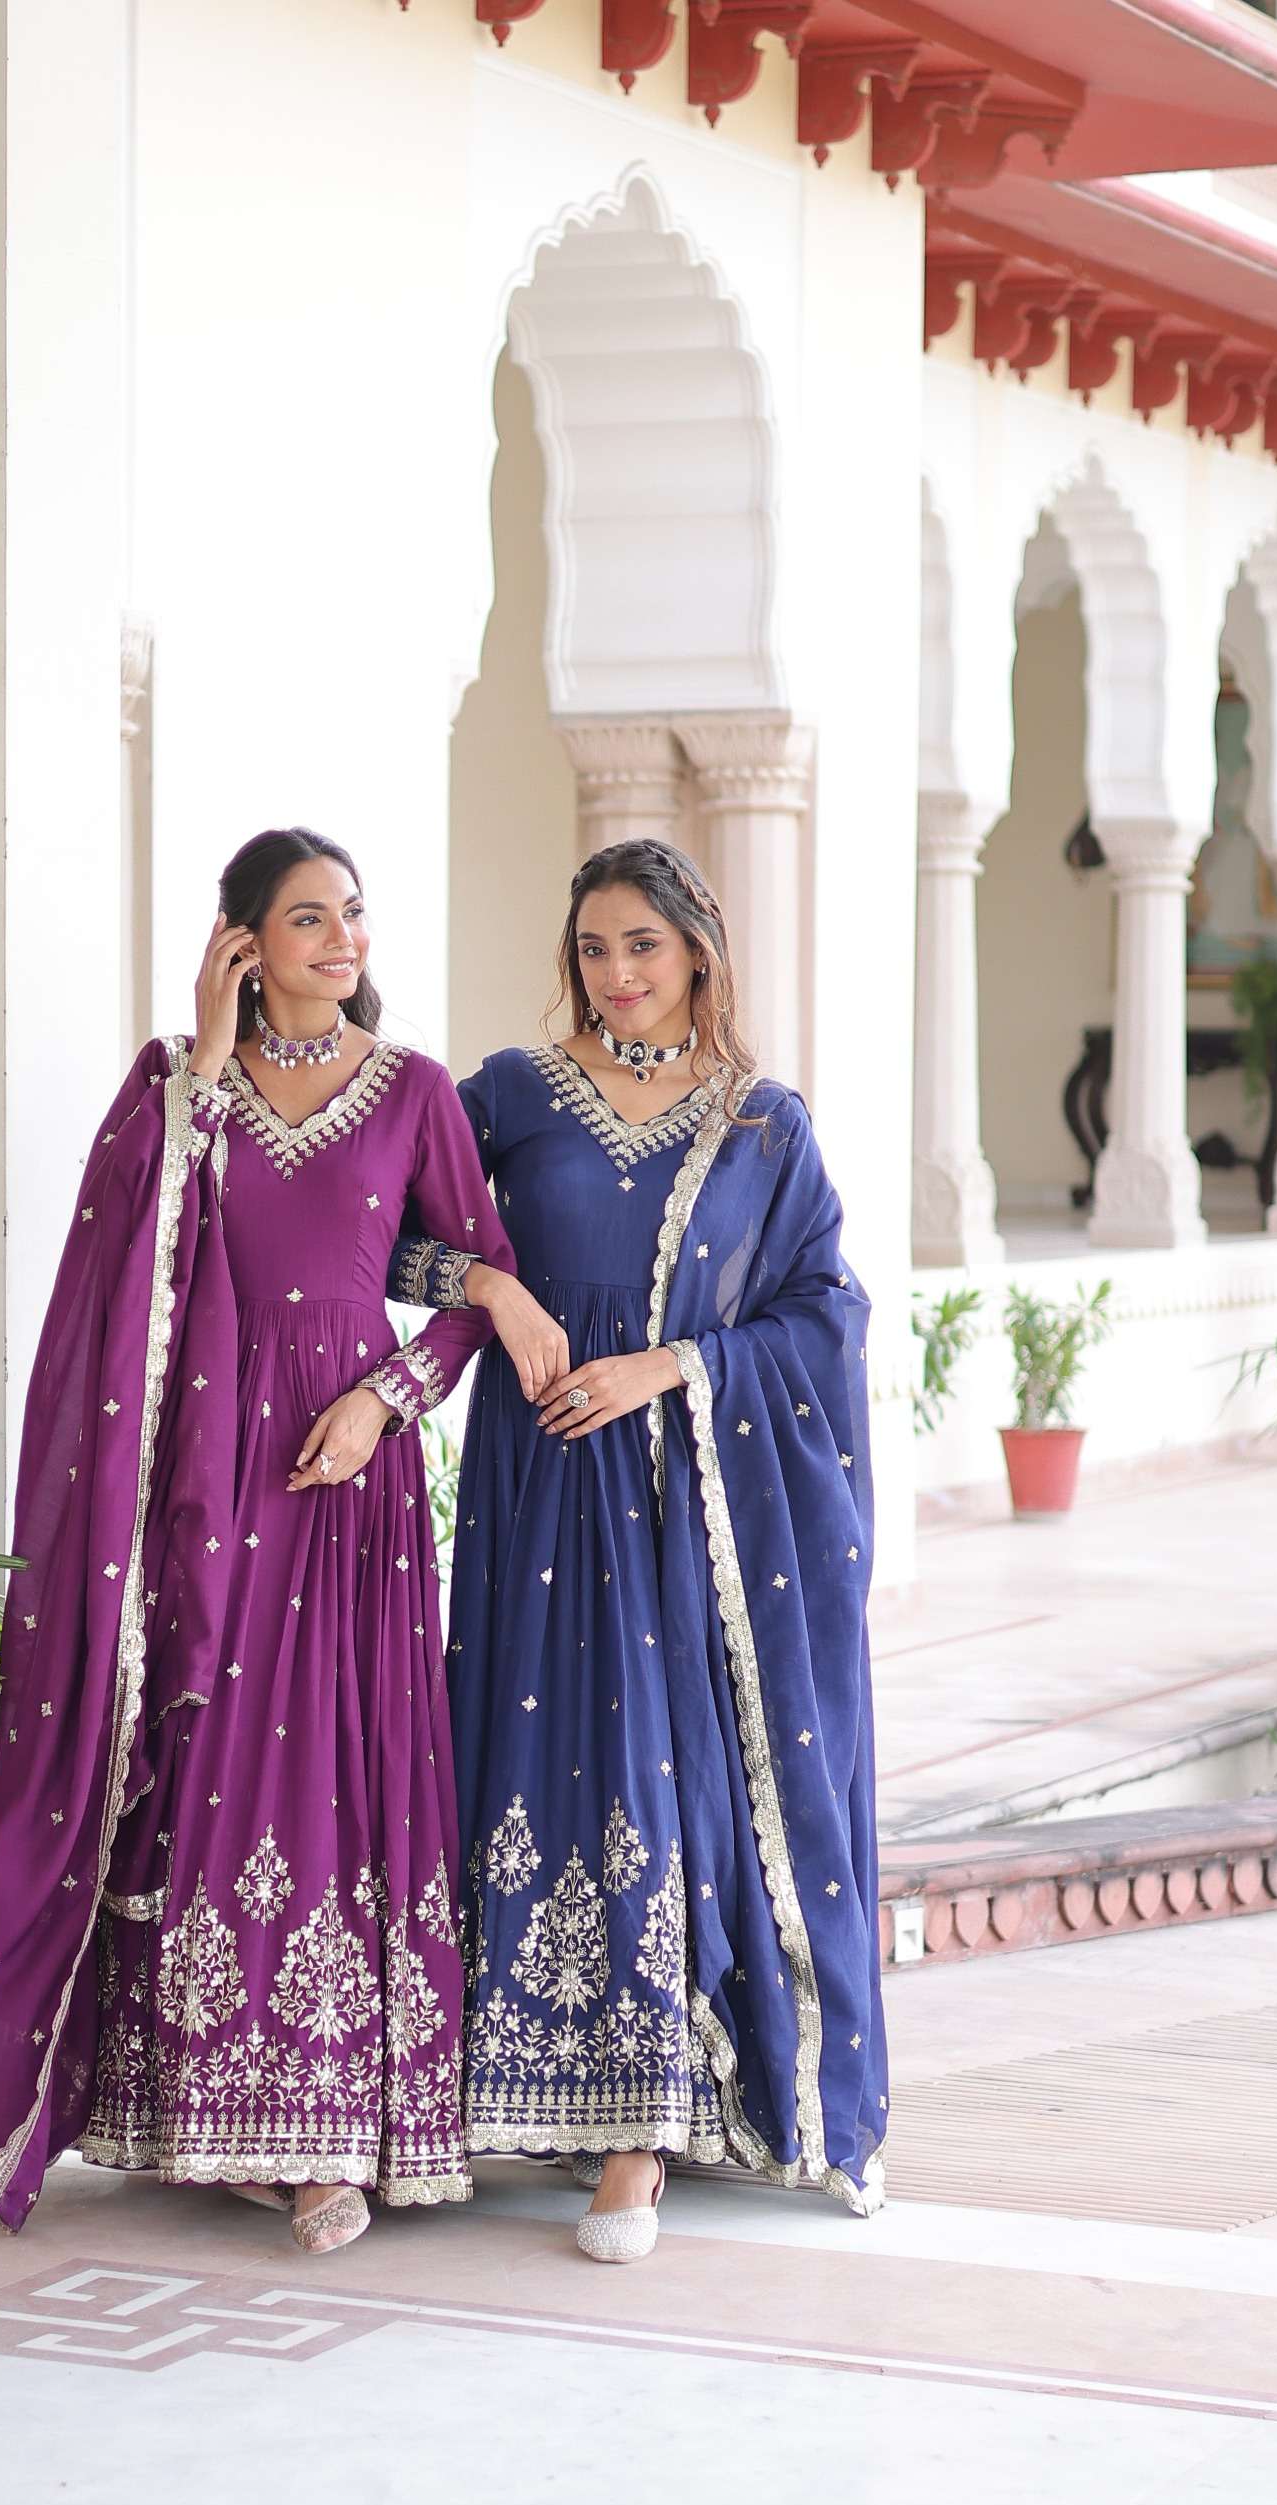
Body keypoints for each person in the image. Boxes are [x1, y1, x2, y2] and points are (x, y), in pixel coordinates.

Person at [0, 825, 510, 2255]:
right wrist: (205, 1060)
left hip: (348, 1475)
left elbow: (476, 1285)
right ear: (244, 943)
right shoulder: (176, 1087)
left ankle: (334, 2130)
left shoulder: (413, 1090)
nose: (342, 939)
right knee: (204, 1764)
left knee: (338, 1770)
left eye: (352, 914)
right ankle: (204, 2115)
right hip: (207, 1470)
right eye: (308, 917)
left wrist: (386, 1402)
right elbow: (133, 1258)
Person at [389, 839, 885, 2261]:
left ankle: (641, 2132)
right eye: (594, 948)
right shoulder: (510, 1095)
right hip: (535, 1481)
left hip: (682, 1503)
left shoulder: (761, 1127)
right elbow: (389, 1238)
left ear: (697, 954)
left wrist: (672, 1366)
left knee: (657, 1771)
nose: (617, 973)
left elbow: (823, 1313)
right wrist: (496, 1290)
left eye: (643, 947)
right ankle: (512, 2088)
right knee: (531, 1757)